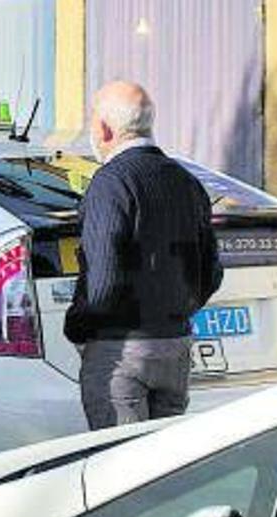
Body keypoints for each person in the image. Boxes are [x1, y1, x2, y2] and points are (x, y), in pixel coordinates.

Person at [66, 81, 223, 430]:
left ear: (105, 129)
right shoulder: (188, 182)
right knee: (160, 471)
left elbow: (103, 280)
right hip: (176, 348)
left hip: (121, 351)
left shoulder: (111, 183)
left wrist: (76, 327)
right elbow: (212, 271)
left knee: (120, 466)